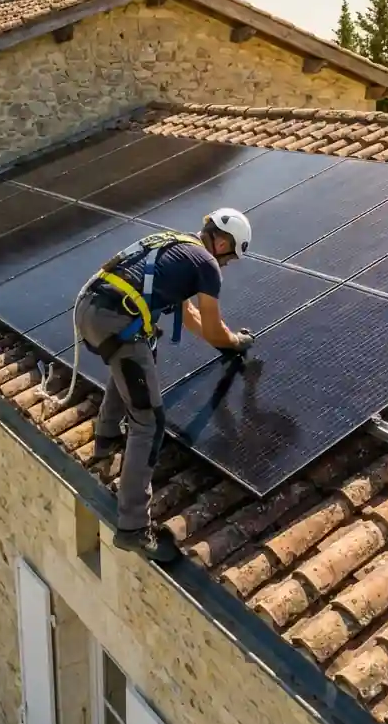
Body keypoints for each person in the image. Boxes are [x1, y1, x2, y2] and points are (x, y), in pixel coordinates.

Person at [74, 208, 256, 562]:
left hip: (90, 309)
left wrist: (223, 340)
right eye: (231, 255)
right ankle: (133, 527)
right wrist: (236, 342)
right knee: (149, 421)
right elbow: (214, 327)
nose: (228, 264)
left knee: (131, 363)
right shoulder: (206, 265)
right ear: (221, 242)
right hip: (115, 318)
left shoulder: (177, 247)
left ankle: (106, 441)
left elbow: (189, 317)